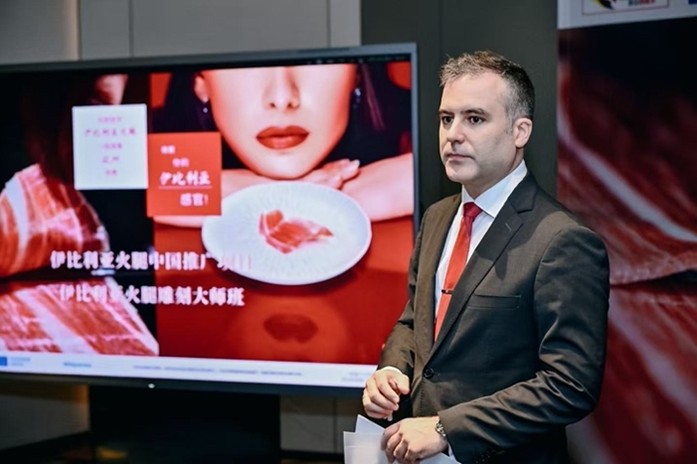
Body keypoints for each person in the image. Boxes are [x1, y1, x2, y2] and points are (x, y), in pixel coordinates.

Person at [361, 50, 610, 463]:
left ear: (520, 131)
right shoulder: (438, 217)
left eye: (474, 119)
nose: (453, 135)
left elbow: (570, 385)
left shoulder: (563, 240)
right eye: (446, 118)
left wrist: (446, 428)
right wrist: (391, 370)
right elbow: (415, 322)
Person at [152, 61, 414, 226]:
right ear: (200, 82)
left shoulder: (421, 119)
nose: (282, 98)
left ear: (356, 73)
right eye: (247, 59)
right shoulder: (144, 131)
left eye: (314, 57)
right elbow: (130, 183)